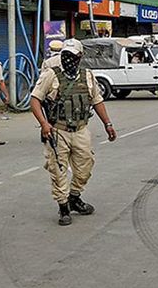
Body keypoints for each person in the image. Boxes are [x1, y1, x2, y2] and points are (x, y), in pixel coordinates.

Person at [30, 39, 117, 226]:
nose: (68, 59)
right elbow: (35, 100)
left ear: (80, 56)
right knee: (58, 169)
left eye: (73, 56)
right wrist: (44, 124)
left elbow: (97, 100)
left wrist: (108, 124)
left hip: (80, 130)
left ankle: (74, 196)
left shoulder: (87, 76)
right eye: (66, 55)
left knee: (85, 166)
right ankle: (63, 207)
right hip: (58, 130)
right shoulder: (51, 75)